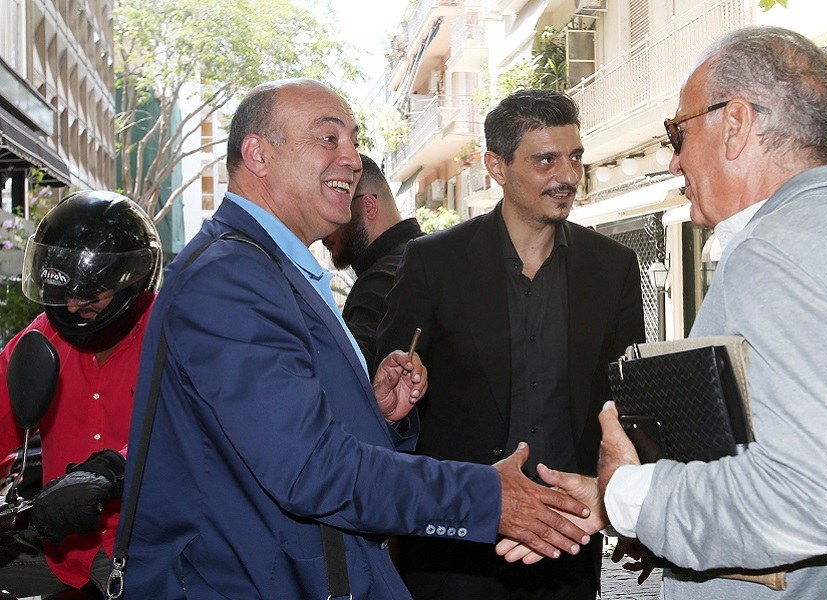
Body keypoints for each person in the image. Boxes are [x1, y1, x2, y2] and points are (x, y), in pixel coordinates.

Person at [115, 78, 595, 599]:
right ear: (258, 155)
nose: (351, 158)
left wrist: (373, 414)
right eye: (329, 138)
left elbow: (276, 436)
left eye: (354, 140)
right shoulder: (231, 278)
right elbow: (308, 469)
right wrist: (487, 498)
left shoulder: (269, 269)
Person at [518, 26, 827, 599]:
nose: (674, 162)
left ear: (736, 125)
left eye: (678, 132)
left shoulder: (777, 255)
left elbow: (813, 499)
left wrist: (632, 495)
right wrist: (616, 500)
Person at [376, 89, 645, 600]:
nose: (567, 176)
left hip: (567, 546)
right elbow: (386, 401)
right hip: (455, 553)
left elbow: (628, 402)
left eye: (574, 157)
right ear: (496, 167)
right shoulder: (433, 263)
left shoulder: (612, 268)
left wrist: (632, 505)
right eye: (546, 160)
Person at [0, 191, 161, 597]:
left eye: (90, 292)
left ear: (132, 279)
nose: (72, 305)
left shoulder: (172, 335)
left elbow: (190, 432)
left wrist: (110, 472)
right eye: (64, 290)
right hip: (59, 549)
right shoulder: (41, 337)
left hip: (151, 545)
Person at [322, 153, 424, 373]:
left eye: (336, 210)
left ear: (368, 206)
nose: (324, 232)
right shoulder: (427, 258)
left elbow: (349, 375)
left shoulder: (379, 283)